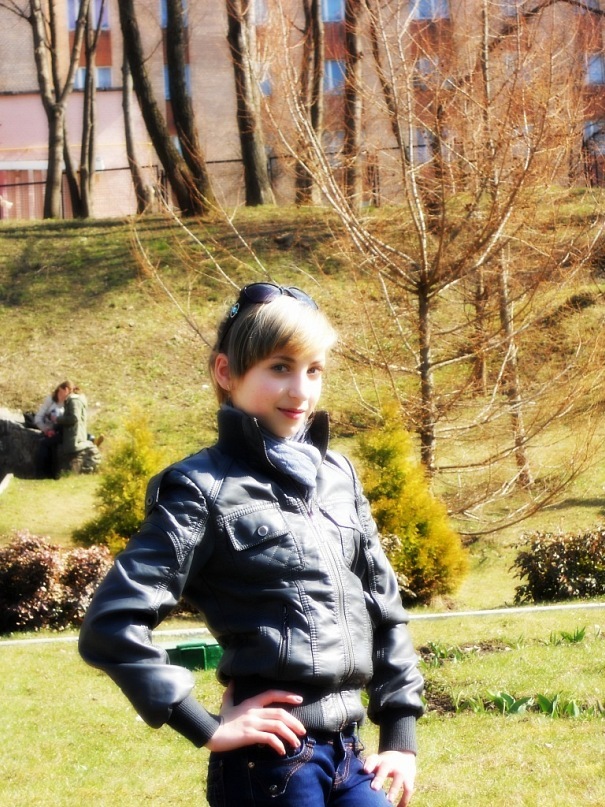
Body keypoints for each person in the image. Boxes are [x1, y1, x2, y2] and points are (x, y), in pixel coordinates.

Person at [78, 282, 424, 807]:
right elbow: (111, 623)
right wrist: (203, 724)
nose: (301, 391)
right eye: (280, 367)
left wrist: (400, 735)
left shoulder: (339, 476)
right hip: (269, 765)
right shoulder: (200, 488)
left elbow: (385, 611)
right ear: (226, 372)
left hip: (351, 756)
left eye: (314, 370)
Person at [34, 380, 72, 478]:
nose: (59, 394)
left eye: (61, 392)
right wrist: (46, 429)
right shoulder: (50, 400)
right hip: (48, 429)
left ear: (67, 390)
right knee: (44, 443)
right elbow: (38, 418)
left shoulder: (70, 402)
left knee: (52, 444)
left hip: (62, 431)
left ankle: (50, 474)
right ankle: (42, 473)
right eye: (58, 391)